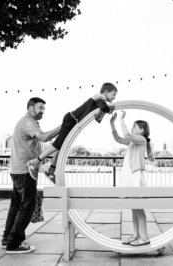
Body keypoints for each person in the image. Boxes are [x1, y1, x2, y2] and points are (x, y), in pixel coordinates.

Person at [3, 97, 61, 254]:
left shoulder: (27, 122)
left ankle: (7, 238)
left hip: (18, 169)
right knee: (28, 206)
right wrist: (63, 126)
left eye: (44, 108)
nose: (42, 111)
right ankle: (13, 243)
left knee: (16, 205)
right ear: (30, 108)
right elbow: (43, 137)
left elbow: (41, 141)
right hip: (25, 170)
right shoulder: (28, 122)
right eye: (40, 108)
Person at [28, 83, 118, 183]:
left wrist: (107, 112)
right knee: (57, 145)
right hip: (71, 120)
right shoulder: (99, 96)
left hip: (73, 122)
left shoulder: (101, 104)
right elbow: (104, 107)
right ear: (106, 92)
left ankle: (51, 170)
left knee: (61, 146)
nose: (114, 97)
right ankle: (35, 162)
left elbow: (98, 118)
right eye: (113, 94)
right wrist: (108, 109)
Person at [110, 110, 155, 246]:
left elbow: (126, 134)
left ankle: (145, 237)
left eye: (134, 126)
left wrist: (121, 119)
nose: (131, 128)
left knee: (139, 207)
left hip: (136, 177)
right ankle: (136, 235)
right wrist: (112, 123)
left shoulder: (141, 140)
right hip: (131, 176)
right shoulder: (132, 142)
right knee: (133, 207)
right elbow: (118, 138)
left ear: (141, 130)